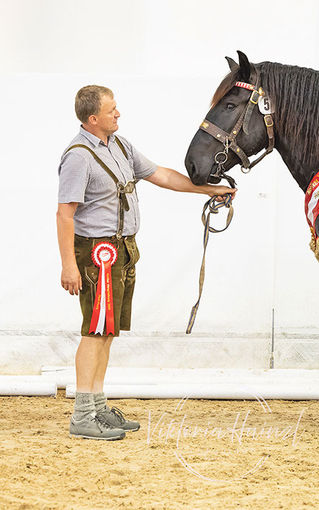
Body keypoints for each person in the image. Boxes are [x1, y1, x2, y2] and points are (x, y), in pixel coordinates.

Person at [56, 85, 234, 440]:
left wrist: (209, 189)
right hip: (95, 254)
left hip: (121, 251)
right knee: (94, 332)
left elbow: (160, 175)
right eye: (111, 110)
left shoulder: (120, 146)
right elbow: (65, 214)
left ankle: (97, 405)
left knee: (107, 332)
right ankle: (82, 415)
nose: (118, 114)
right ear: (94, 119)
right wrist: (69, 266)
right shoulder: (78, 156)